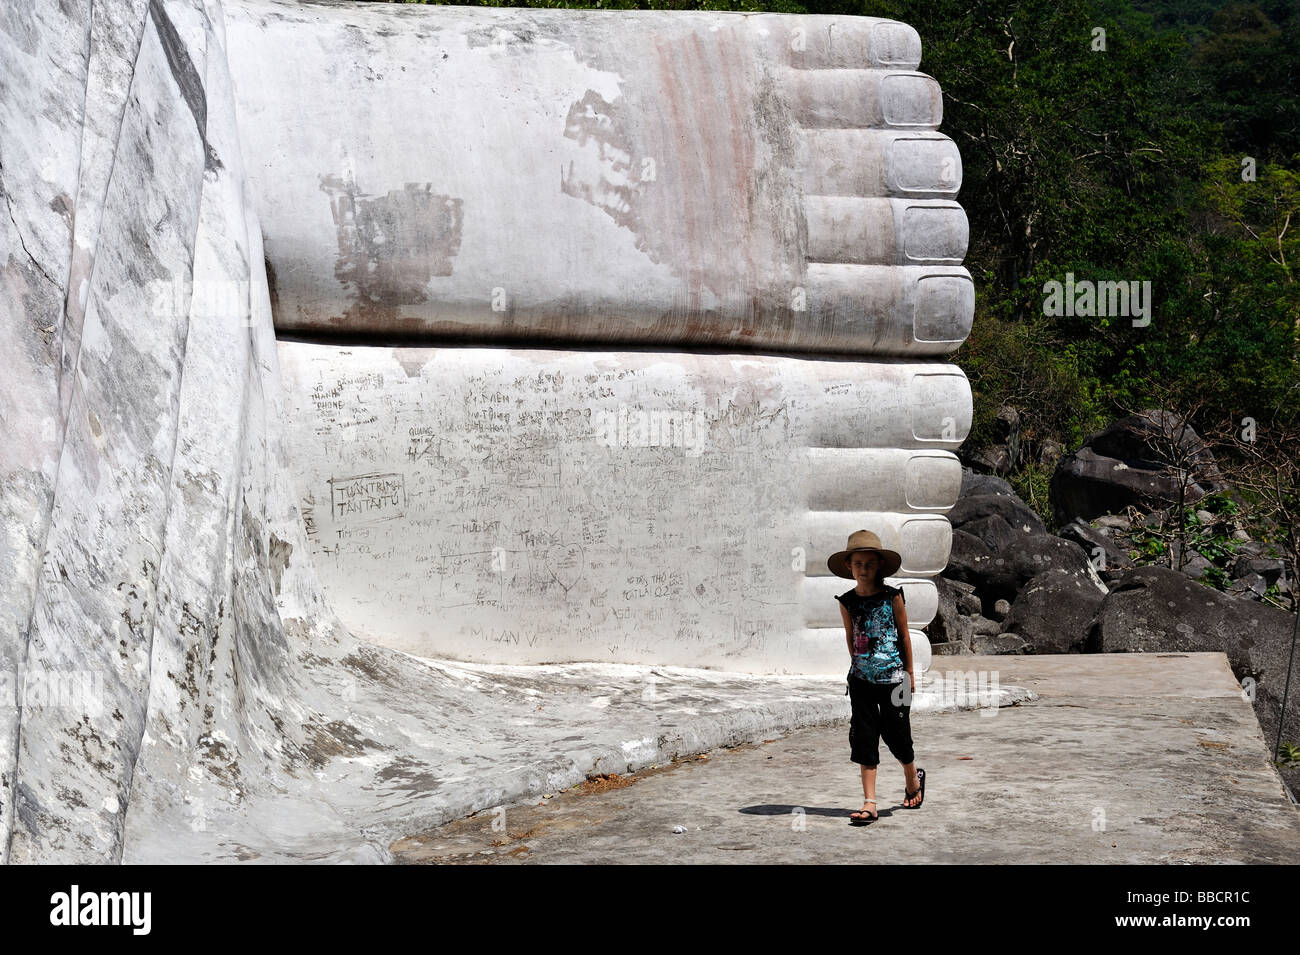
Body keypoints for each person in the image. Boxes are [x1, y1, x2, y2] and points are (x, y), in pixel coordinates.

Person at [828, 529, 925, 824]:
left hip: (896, 679)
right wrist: (859, 668)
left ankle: (912, 778)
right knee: (864, 737)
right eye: (858, 563)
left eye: (869, 563)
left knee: (897, 734)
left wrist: (909, 673)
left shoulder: (892, 597)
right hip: (861, 681)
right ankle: (870, 803)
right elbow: (850, 636)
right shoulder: (846, 601)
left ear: (879, 565)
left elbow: (904, 636)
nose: (864, 569)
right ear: (849, 566)